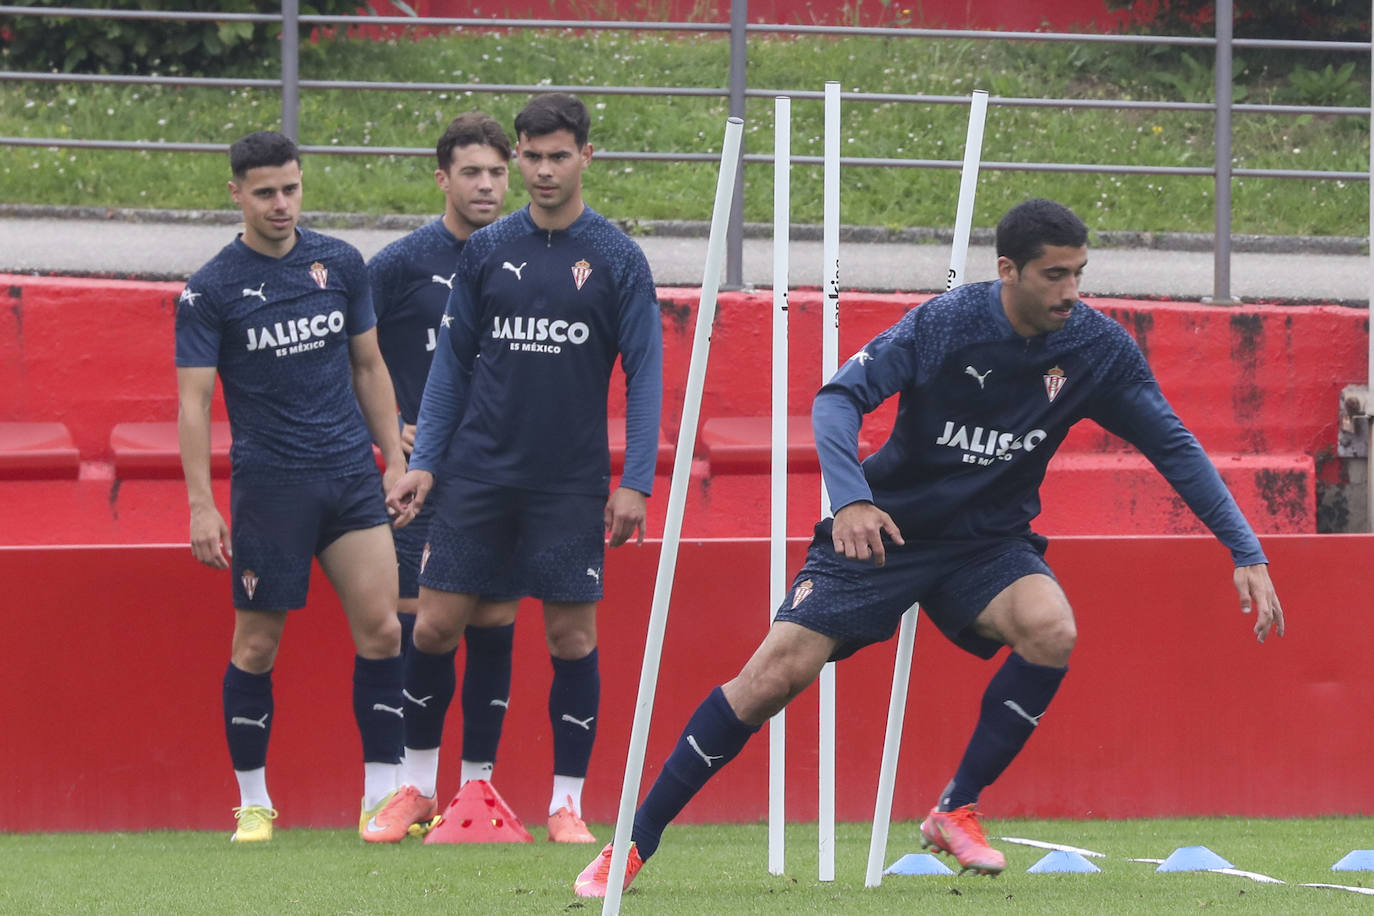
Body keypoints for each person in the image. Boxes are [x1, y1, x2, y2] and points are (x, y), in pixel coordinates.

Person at [571, 197, 1286, 896]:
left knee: (1051, 628)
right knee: (769, 679)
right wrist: (850, 497)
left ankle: (955, 807)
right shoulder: (947, 324)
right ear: (1008, 269)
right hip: (887, 530)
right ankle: (633, 843)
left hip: (988, 543)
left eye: (1079, 273)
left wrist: (1244, 549)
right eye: (1055, 276)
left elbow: (1175, 446)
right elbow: (836, 400)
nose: (1073, 291)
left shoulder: (1097, 348)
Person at [385, 92, 664, 844]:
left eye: (557, 156)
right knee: (436, 627)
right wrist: (427, 464)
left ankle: (567, 803)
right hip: (477, 476)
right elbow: (449, 368)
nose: (543, 171)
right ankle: (415, 788)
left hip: (567, 483)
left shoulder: (616, 259)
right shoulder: (486, 251)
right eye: (532, 157)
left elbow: (646, 375)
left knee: (571, 640)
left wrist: (636, 480)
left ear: (585, 158)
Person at [175, 130, 427, 845]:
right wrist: (201, 506)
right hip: (272, 489)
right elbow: (193, 404)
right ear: (236, 195)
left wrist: (393, 459)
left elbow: (370, 368)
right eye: (264, 192)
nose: (281, 203)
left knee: (382, 631)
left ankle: (380, 798)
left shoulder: (340, 262)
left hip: (350, 477)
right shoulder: (209, 291)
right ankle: (253, 803)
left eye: (291, 188)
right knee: (256, 647)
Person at [366, 112, 526, 811]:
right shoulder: (399, 265)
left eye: (497, 171)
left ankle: (476, 791)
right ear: (443, 178)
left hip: (497, 478)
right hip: (422, 481)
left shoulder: (526, 257)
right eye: (472, 172)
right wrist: (381, 431)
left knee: (493, 628)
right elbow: (347, 356)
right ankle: (405, 788)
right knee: (417, 629)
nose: (487, 185)